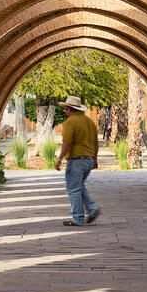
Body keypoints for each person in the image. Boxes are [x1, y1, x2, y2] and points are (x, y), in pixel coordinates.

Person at [54, 95, 101, 226]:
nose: (65, 112)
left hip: (76, 161)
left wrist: (59, 159)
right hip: (89, 160)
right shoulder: (90, 122)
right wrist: (95, 159)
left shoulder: (70, 122)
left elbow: (67, 142)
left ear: (70, 109)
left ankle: (78, 218)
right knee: (79, 187)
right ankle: (92, 209)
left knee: (73, 189)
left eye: (66, 109)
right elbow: (96, 144)